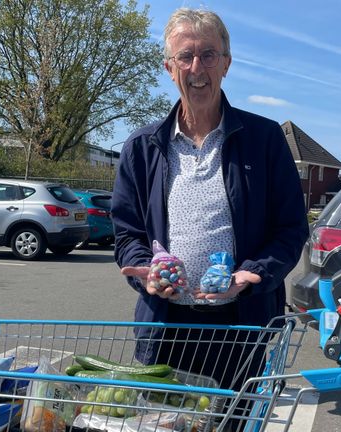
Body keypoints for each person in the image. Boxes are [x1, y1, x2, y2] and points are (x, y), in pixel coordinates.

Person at [111, 5, 308, 401]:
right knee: (163, 423)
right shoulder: (141, 147)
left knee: (234, 420)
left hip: (241, 326)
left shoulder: (265, 140)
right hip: (165, 325)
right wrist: (147, 271)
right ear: (170, 67)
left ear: (226, 64)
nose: (196, 67)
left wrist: (253, 273)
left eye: (208, 55)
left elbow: (291, 228)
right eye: (185, 56)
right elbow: (127, 232)